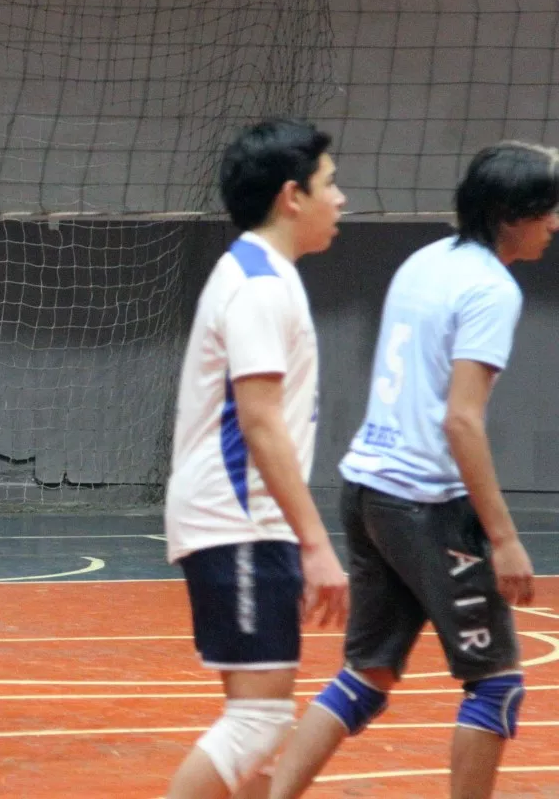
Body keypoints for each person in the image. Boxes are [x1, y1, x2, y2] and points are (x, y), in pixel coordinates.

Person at [268, 141, 558, 799]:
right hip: (425, 503)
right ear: (515, 212)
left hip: (367, 488)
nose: (556, 223)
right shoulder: (492, 289)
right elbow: (461, 420)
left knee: (366, 675)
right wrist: (505, 536)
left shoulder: (426, 260)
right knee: (497, 684)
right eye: (549, 209)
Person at [163, 118, 349, 798]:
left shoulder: (259, 272)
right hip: (238, 519)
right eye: (332, 183)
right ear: (292, 196)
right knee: (259, 722)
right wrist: (316, 544)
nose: (342, 199)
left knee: (258, 730)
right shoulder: (260, 284)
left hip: (238, 519)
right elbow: (261, 423)